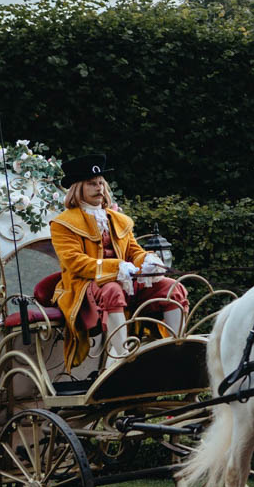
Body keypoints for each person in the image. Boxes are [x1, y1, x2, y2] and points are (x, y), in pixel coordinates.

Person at [49, 153, 188, 370]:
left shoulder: (118, 220)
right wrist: (117, 267)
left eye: (101, 183)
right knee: (112, 289)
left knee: (173, 288)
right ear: (78, 189)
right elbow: (75, 262)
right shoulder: (62, 224)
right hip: (84, 287)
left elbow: (133, 251)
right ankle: (123, 356)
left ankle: (176, 348)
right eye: (91, 184)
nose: (99, 188)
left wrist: (149, 260)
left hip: (126, 282)